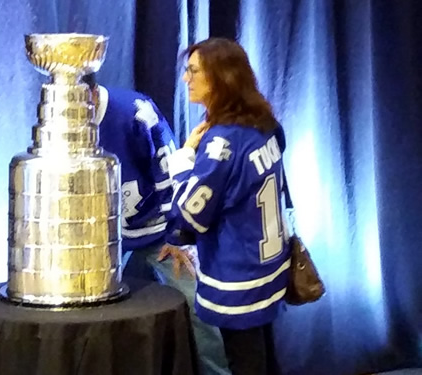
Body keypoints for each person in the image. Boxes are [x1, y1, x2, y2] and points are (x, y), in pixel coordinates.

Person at [82, 73, 231, 375]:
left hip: (158, 232)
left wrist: (176, 235)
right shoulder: (61, 123)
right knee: (97, 316)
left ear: (92, 93)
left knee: (197, 307)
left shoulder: (136, 113)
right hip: (105, 240)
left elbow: (169, 174)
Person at [170, 37, 288, 375]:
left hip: (237, 275)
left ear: (220, 77)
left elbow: (189, 212)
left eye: (193, 71)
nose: (185, 80)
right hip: (268, 265)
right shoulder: (263, 124)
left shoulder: (221, 141)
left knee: (246, 364)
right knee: (265, 360)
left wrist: (184, 156)